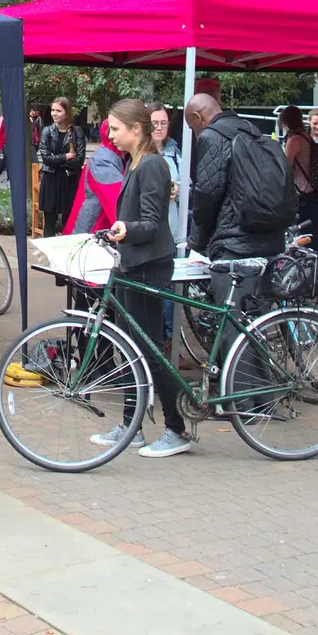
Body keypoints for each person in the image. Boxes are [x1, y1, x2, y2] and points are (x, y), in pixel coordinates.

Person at [89, 98, 191, 458]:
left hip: (147, 265)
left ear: (136, 129)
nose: (110, 135)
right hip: (134, 264)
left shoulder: (150, 165)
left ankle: (176, 427)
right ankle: (132, 426)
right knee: (133, 350)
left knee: (147, 350)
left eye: (115, 129)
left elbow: (150, 224)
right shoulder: (138, 163)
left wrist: (123, 229)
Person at [185, 90, 286, 261]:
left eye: (191, 127)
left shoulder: (212, 136)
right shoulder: (251, 129)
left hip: (233, 244)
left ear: (198, 117)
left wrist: (196, 242)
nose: (194, 133)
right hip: (271, 239)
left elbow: (207, 194)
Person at [38, 97, 86, 238]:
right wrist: (66, 156)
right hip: (51, 179)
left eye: (58, 110)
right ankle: (47, 257)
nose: (54, 113)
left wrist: (57, 160)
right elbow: (46, 159)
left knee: (69, 220)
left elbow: (79, 159)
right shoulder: (47, 131)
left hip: (69, 180)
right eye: (52, 110)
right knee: (49, 223)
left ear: (66, 113)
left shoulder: (77, 132)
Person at [68, 119, 126, 236]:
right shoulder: (104, 160)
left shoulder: (112, 154)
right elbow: (117, 204)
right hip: (93, 227)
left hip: (94, 224)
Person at [279, 105, 318, 234]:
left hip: (301, 190)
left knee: (301, 232)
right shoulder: (306, 136)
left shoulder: (294, 140)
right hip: (312, 189)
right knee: (311, 230)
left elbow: (286, 167)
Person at [148, 102, 185, 244]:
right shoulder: (138, 153)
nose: (159, 128)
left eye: (163, 123)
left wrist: (178, 188)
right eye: (154, 123)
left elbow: (188, 185)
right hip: (147, 232)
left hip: (171, 230)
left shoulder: (174, 152)